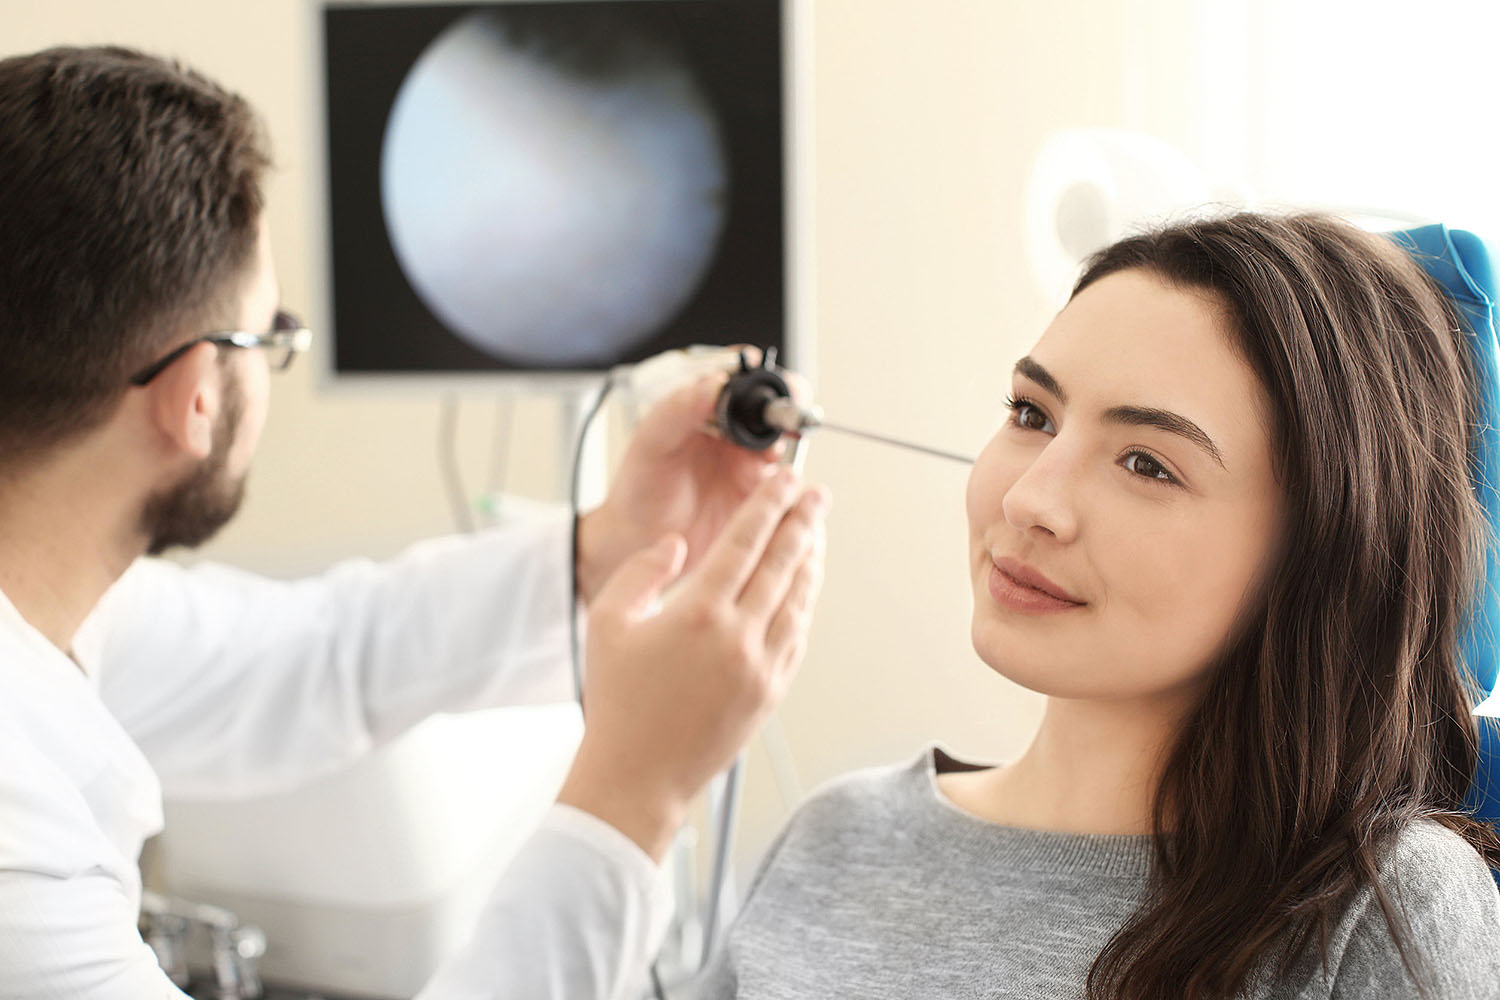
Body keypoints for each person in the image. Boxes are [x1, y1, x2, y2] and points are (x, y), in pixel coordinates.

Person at [0, 44, 829, 999]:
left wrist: (602, 548)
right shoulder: (20, 856)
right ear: (194, 399)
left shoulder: (55, 601)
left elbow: (322, 656)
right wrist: (633, 799)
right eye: (272, 339)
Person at [691, 213, 1500, 999]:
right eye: (1031, 414)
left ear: (1320, 551)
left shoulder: (1382, 910)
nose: (1029, 498)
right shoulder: (836, 836)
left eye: (1147, 463)